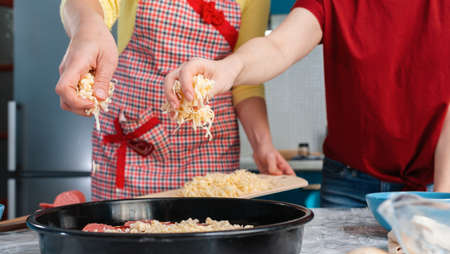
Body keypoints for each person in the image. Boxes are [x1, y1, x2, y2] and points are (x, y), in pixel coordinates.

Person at [165, 1, 450, 207]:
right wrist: (230, 68)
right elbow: (279, 46)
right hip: (348, 184)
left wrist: (443, 197)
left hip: (433, 185)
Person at [55, 0, 294, 201]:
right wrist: (87, 28)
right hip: (134, 147)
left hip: (208, 151)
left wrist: (263, 144)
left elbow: (245, 76)